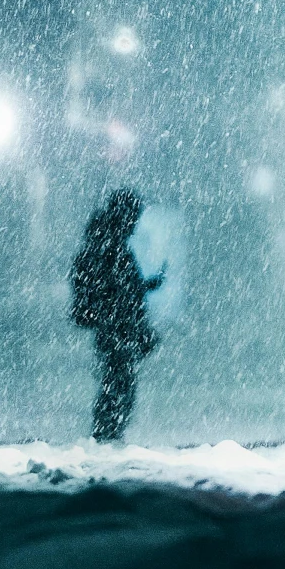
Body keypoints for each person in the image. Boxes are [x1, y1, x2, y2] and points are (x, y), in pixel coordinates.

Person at [70, 188, 163, 442]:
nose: (135, 224)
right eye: (133, 217)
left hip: (116, 326)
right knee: (119, 382)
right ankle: (107, 434)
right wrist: (131, 298)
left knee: (118, 382)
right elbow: (115, 289)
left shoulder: (108, 244)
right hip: (116, 327)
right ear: (123, 215)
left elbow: (117, 287)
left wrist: (143, 286)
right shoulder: (109, 247)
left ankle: (108, 433)